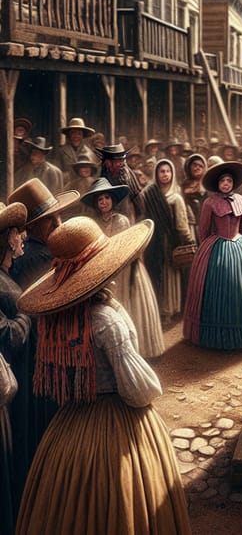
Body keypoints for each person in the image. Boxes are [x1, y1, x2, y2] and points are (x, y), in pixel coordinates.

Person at [14, 217, 191, 533]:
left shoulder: (56, 320)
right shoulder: (106, 320)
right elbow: (137, 390)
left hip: (71, 425)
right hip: (117, 425)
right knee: (125, 497)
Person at [81, 178, 164, 359]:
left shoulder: (121, 220)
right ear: (96, 203)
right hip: (104, 269)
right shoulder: (93, 223)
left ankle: (139, 351)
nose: (104, 202)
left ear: (113, 201)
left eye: (107, 198)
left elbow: (122, 248)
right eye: (100, 199)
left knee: (130, 306)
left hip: (125, 268)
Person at [183, 161, 242, 350]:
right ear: (217, 184)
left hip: (240, 247)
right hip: (217, 248)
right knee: (217, 290)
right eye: (222, 181)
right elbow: (203, 230)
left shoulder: (241, 200)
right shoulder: (210, 203)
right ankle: (214, 337)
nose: (225, 184)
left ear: (233, 183)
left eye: (229, 180)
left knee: (241, 289)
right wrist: (205, 252)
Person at [0, 200, 31, 530]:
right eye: (16, 233)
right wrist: (26, 314)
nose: (21, 237)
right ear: (7, 239)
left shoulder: (5, 274)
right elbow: (6, 336)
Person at [141, 158, 195, 322]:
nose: (165, 175)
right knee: (155, 274)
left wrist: (188, 239)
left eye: (168, 171)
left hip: (169, 241)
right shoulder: (148, 194)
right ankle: (156, 310)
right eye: (161, 171)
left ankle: (169, 311)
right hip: (153, 241)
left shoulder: (176, 198)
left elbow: (181, 223)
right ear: (156, 174)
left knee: (169, 275)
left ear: (172, 173)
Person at [95, 143, 143, 223]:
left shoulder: (126, 173)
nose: (120, 163)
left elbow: (137, 196)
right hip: (104, 215)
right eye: (117, 161)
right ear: (107, 162)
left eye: (122, 160)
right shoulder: (99, 172)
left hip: (126, 212)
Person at [55, 117, 97, 181]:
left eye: (79, 133)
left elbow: (94, 175)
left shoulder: (90, 153)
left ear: (83, 136)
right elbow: (56, 173)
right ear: (69, 135)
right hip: (66, 187)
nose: (76, 136)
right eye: (73, 132)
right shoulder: (61, 151)